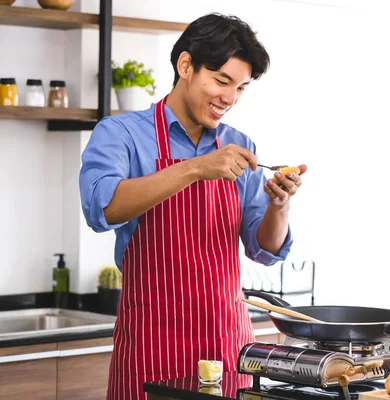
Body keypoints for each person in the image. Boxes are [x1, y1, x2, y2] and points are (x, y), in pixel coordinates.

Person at [79, 13, 307, 400]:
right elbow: (103, 209)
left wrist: (279, 206)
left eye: (241, 88)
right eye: (221, 81)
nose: (229, 99)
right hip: (151, 346)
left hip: (226, 345)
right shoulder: (121, 134)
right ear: (185, 65)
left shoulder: (240, 145)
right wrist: (196, 168)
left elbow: (263, 248)